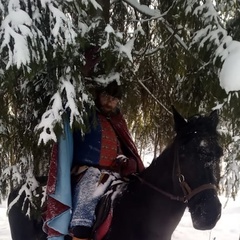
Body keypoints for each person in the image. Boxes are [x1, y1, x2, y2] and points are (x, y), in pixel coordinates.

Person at [43, 80, 145, 240]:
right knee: (87, 200)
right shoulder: (83, 115)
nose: (110, 102)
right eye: (106, 96)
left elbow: (122, 148)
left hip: (113, 174)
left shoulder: (117, 121)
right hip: (87, 172)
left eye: (114, 99)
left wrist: (126, 161)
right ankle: (80, 233)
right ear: (98, 95)